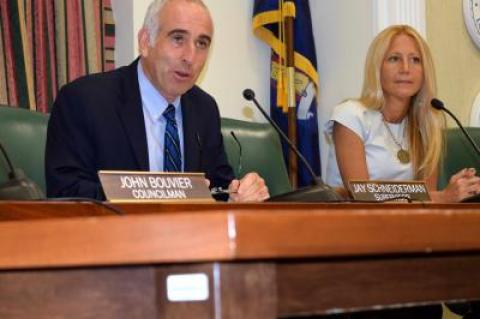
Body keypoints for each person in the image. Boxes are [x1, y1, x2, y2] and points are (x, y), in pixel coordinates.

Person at [45, 0, 269, 202]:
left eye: (201, 44)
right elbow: (66, 191)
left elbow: (219, 186)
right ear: (145, 42)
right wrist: (158, 193)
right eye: (178, 39)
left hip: (192, 243)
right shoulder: (85, 100)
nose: (190, 57)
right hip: (115, 241)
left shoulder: (204, 109)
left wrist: (238, 193)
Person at [325, 25, 480, 203]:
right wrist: (442, 196)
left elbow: (426, 200)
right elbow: (361, 193)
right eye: (394, 59)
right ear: (377, 68)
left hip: (405, 225)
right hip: (349, 225)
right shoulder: (350, 115)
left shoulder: (428, 123)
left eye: (415, 59)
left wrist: (462, 188)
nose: (405, 68)